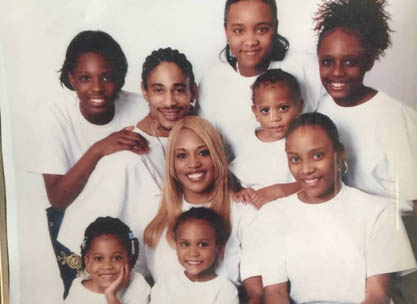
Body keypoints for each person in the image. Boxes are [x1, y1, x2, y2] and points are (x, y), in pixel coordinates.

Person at [314, 1, 417, 302]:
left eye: (350, 62)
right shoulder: (322, 106)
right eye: (327, 61)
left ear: (370, 60)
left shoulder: (399, 119)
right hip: (348, 235)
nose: (337, 72)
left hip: (398, 237)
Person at [242, 112, 417, 303]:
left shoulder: (378, 212)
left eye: (317, 155)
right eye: (295, 159)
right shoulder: (272, 214)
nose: (307, 169)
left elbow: (377, 295)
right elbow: (275, 294)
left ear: (339, 153)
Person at [57, 47, 196, 277]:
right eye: (159, 90)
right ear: (145, 92)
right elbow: (80, 244)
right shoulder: (126, 157)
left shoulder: (205, 139)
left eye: (179, 90)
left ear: (193, 91)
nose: (170, 102)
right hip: (138, 282)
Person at [30, 30, 149, 297]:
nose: (96, 88)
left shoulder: (141, 107)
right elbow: (58, 198)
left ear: (120, 76)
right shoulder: (54, 115)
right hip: (76, 222)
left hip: (132, 213)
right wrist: (98, 150)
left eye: (106, 77)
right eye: (85, 78)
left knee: (137, 290)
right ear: (72, 78)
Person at [143, 116, 258, 302]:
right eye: (182, 155)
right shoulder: (154, 210)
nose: (193, 163)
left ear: (217, 156)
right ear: (171, 164)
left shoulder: (243, 212)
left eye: (203, 153)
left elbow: (257, 294)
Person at [197, 0, 323, 161]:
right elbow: (201, 143)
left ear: (275, 27)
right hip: (241, 182)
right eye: (239, 30)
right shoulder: (211, 82)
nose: (250, 41)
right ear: (226, 31)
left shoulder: (307, 67)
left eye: (262, 29)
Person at [231, 69, 303, 207]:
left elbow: (317, 182)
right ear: (256, 113)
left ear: (299, 107)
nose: (274, 118)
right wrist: (240, 190)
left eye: (283, 108)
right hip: (255, 214)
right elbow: (233, 177)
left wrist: (278, 191)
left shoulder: (302, 139)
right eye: (265, 111)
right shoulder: (248, 141)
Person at [150, 207, 239, 303]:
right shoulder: (165, 285)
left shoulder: (225, 289)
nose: (193, 253)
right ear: (176, 246)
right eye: (185, 244)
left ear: (219, 249)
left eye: (203, 244)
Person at [64, 217, 150, 304]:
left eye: (117, 258)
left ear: (129, 259)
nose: (107, 266)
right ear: (88, 262)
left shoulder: (137, 284)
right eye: (99, 259)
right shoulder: (78, 290)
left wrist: (110, 295)